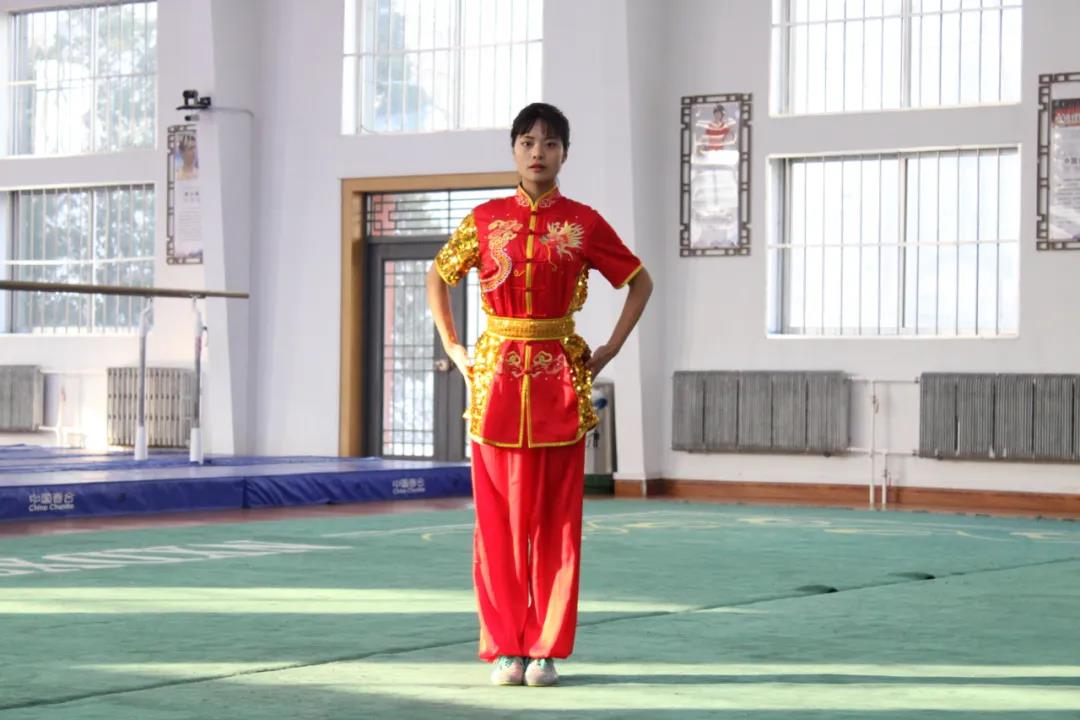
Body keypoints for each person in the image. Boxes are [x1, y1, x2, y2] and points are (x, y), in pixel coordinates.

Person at [426, 103, 653, 687]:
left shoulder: (584, 222)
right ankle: (507, 647)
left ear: (564, 154)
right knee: (497, 525)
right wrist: (454, 346)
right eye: (527, 142)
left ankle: (545, 650)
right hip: (494, 386)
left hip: (559, 385)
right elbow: (439, 275)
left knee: (557, 525)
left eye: (550, 144)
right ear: (514, 149)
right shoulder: (484, 219)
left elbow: (639, 281)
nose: (537, 153)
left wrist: (612, 347)